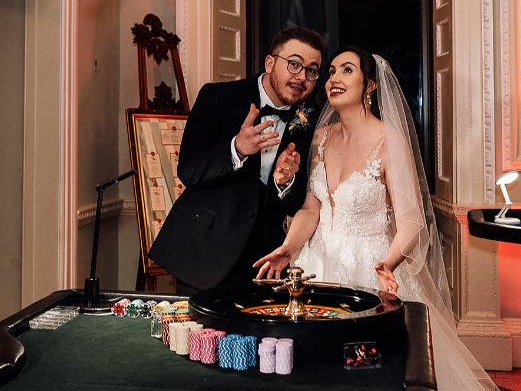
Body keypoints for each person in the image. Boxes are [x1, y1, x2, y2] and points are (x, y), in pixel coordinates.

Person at [254, 47, 498, 391]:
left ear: (369, 85)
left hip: (370, 272)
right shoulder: (320, 138)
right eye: (332, 71)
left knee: (370, 375)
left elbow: (412, 222)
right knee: (312, 372)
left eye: (347, 70)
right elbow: (311, 208)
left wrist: (389, 263)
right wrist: (290, 248)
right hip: (317, 266)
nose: (334, 78)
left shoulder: (390, 141)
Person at [149, 26, 326, 295]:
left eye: (311, 70)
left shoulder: (310, 120)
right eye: (294, 64)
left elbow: (294, 204)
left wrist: (285, 182)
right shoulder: (218, 97)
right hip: (205, 255)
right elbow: (188, 170)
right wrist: (238, 148)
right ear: (270, 63)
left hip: (266, 264)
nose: (302, 77)